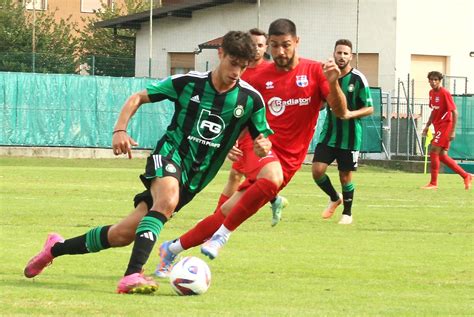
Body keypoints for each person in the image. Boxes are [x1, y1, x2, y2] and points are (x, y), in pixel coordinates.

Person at [23, 30, 274, 295]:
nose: (237, 71)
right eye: (233, 63)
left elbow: (263, 138)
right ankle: (132, 275)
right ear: (221, 54)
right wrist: (120, 129)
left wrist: (262, 146)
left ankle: (54, 248)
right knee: (167, 200)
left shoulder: (251, 100)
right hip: (169, 154)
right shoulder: (189, 82)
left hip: (195, 178)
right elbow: (138, 97)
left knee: (122, 234)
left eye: (244, 67)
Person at [154, 18, 348, 274]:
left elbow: (341, 111)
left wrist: (333, 82)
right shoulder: (256, 74)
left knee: (226, 212)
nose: (279, 52)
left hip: (289, 161)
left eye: (286, 45)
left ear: (297, 42)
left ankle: (172, 249)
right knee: (268, 178)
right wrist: (229, 142)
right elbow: (230, 106)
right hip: (257, 147)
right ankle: (221, 237)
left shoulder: (315, 72)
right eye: (275, 46)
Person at [214, 27, 288, 233]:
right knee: (237, 175)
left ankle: (218, 218)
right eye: (253, 44)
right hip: (243, 132)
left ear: (265, 49)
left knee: (242, 175)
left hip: (258, 135)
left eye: (260, 45)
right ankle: (274, 199)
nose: (256, 49)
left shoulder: (271, 72)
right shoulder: (237, 69)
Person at [312, 39, 374, 225]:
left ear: (351, 57)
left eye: (345, 53)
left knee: (345, 176)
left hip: (351, 137)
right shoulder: (327, 76)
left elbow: (369, 108)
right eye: (339, 53)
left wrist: (349, 114)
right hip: (328, 134)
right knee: (317, 171)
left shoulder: (358, 79)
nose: (342, 56)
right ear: (334, 54)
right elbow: (322, 102)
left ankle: (347, 213)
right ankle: (334, 197)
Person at [421, 71, 472, 190]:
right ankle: (466, 176)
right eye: (431, 80)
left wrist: (453, 131)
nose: (433, 82)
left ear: (439, 81)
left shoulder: (444, 93)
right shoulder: (431, 93)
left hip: (446, 125)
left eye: (436, 80)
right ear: (428, 81)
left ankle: (433, 183)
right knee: (442, 156)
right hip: (438, 125)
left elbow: (455, 112)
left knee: (433, 151)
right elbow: (434, 111)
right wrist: (427, 125)